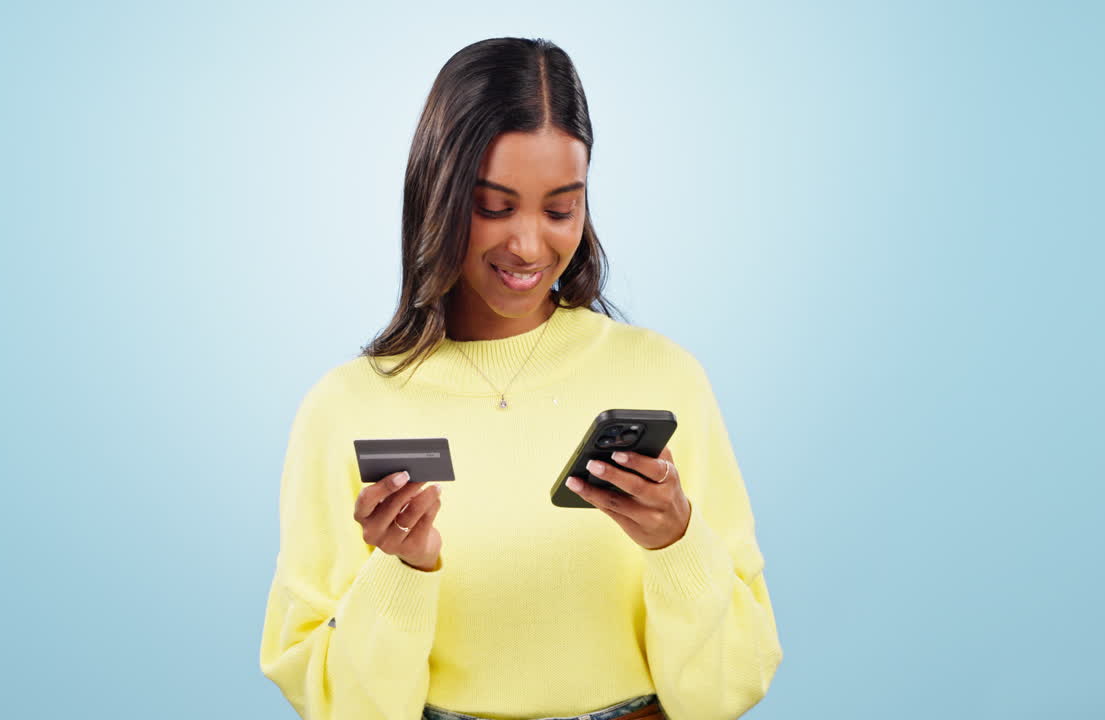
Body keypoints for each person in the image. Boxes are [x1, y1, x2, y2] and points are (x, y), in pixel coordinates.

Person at [259, 37, 782, 720]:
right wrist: (403, 571)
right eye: (494, 207)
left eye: (560, 209)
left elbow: (729, 689)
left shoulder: (665, 377)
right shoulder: (344, 408)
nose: (531, 246)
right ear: (437, 194)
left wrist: (676, 542)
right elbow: (338, 704)